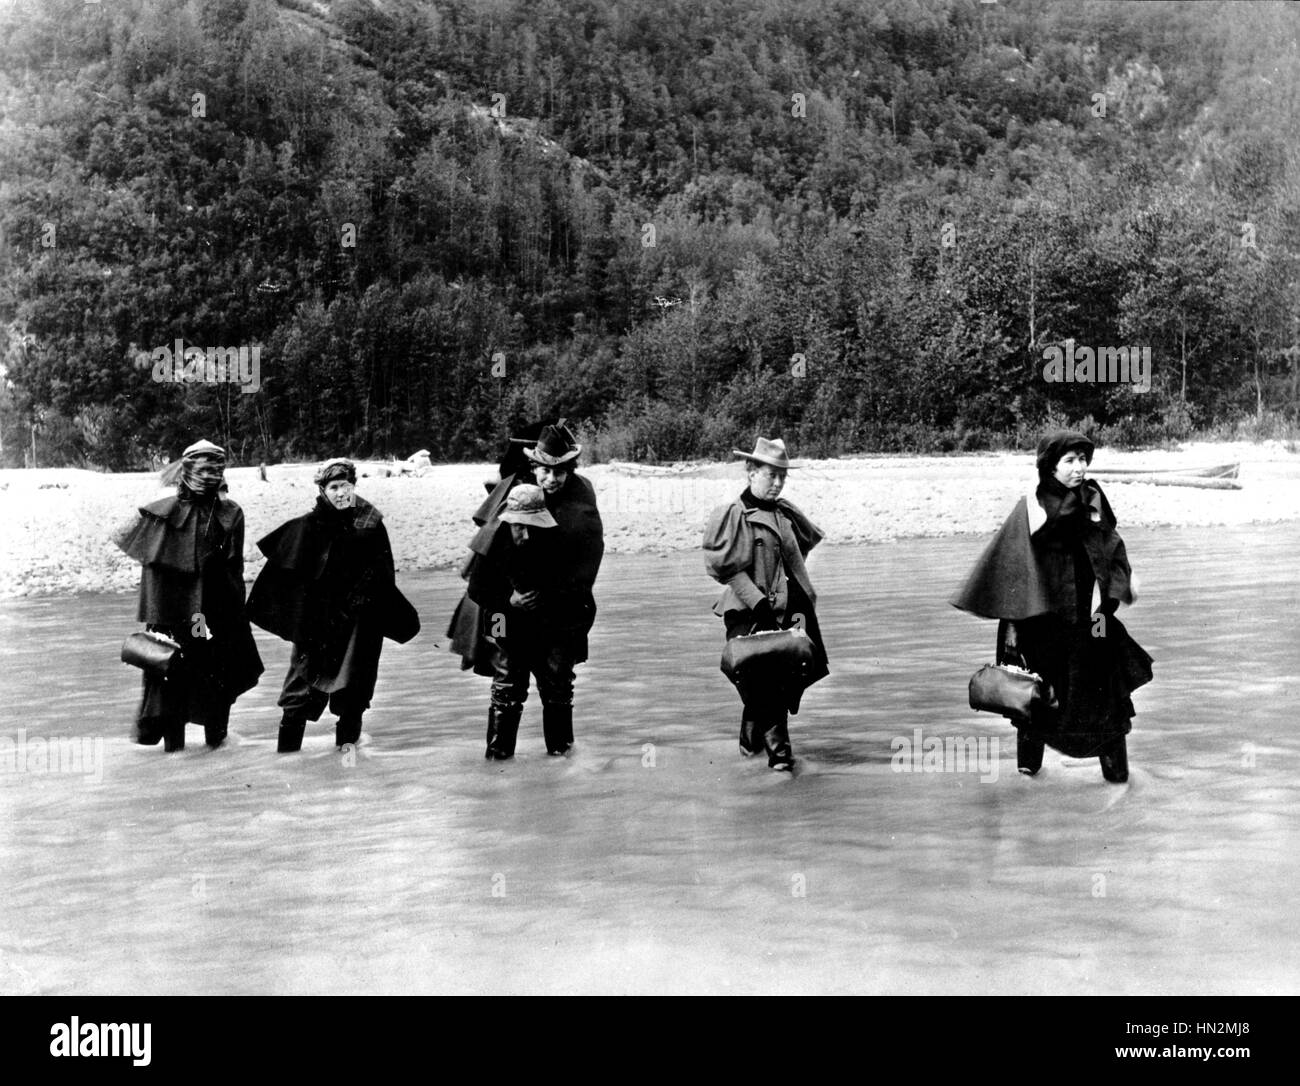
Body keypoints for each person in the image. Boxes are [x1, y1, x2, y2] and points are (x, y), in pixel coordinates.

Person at [950, 429, 1153, 782]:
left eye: (1083, 460)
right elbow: (1010, 570)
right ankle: (1028, 774)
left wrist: (1117, 592)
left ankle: (1117, 780)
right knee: (1038, 697)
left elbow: (1112, 548)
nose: (1079, 468)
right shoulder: (1032, 505)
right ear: (1050, 467)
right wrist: (1011, 631)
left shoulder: (1093, 500)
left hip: (1095, 619)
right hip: (1043, 623)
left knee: (1106, 691)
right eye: (1070, 461)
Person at [247, 458, 419, 752]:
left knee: (353, 697)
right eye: (335, 487)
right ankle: (287, 762)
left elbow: (384, 577)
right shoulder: (307, 526)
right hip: (317, 627)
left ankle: (348, 772)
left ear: (354, 487)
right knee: (297, 696)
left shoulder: (371, 525)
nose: (342, 493)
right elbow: (287, 579)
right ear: (323, 490)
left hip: (358, 626)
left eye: (347, 486)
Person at [456, 423, 604, 758]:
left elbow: (584, 575)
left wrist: (552, 602)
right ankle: (498, 761)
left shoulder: (580, 509)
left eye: (560, 472)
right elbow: (482, 586)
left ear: (570, 472)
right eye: (545, 472)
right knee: (506, 686)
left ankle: (561, 760)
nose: (551, 480)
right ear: (533, 469)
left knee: (558, 688)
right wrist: (505, 611)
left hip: (560, 617)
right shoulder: (514, 508)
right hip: (510, 620)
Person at [113, 439, 263, 751]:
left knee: (217, 677)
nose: (210, 476)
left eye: (216, 470)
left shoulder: (231, 513)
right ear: (187, 471)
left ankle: (216, 747)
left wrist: (236, 617)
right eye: (203, 469)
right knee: (171, 679)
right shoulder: (163, 513)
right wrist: (156, 622)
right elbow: (152, 573)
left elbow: (233, 568)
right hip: (175, 614)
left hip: (213, 614)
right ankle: (174, 754)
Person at [702, 437, 829, 771]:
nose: (776, 483)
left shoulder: (785, 513)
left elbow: (797, 553)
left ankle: (750, 744)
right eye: (770, 475)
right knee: (766, 679)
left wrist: (796, 594)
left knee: (781, 681)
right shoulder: (735, 514)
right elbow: (728, 569)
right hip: (746, 610)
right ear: (750, 471)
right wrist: (759, 604)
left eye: (781, 477)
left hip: (788, 609)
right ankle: (780, 758)